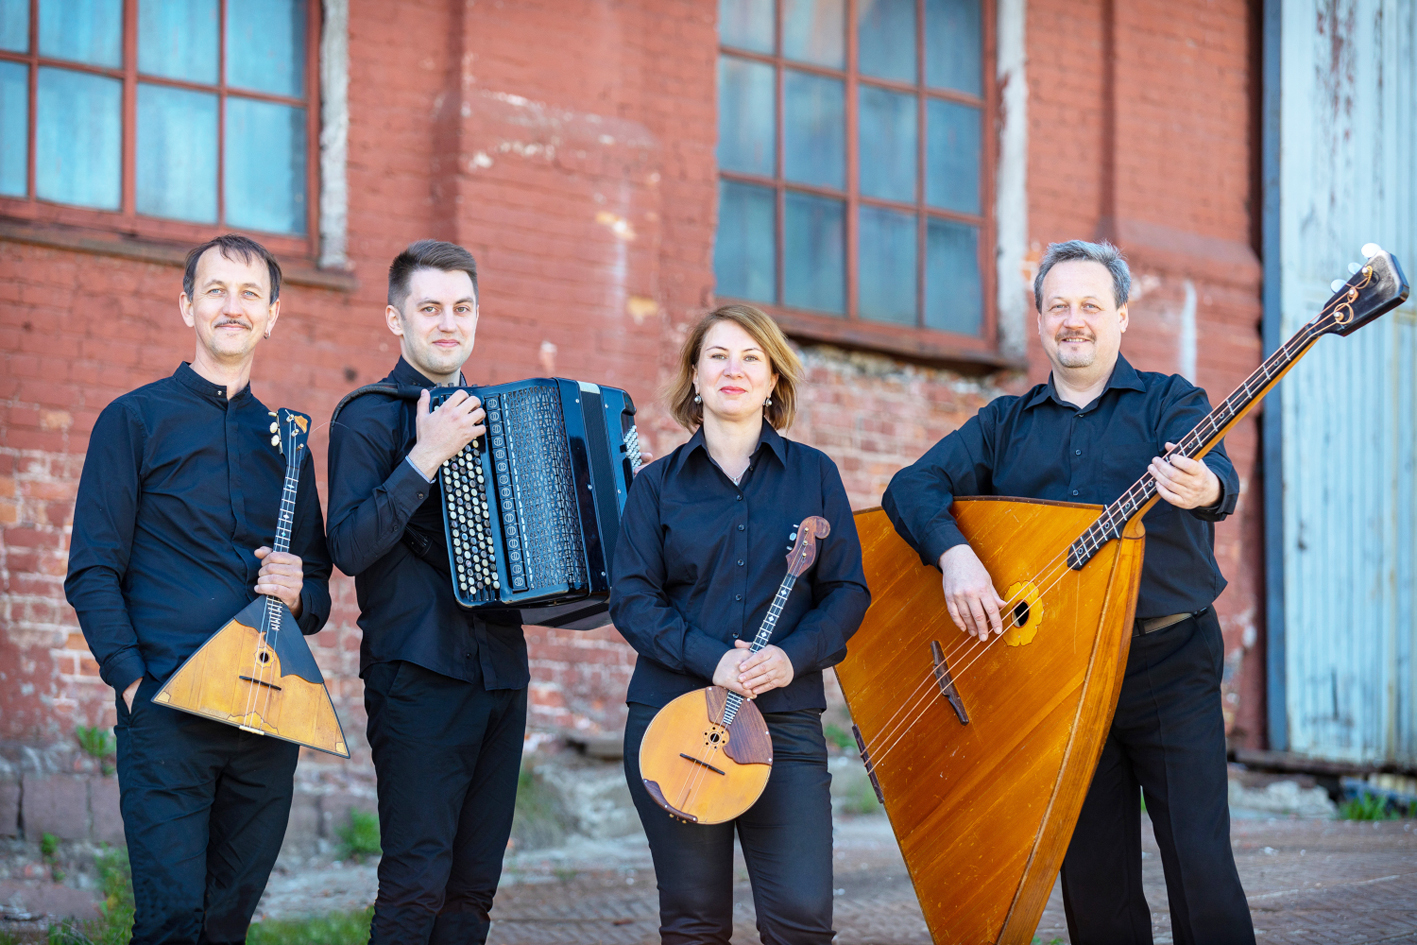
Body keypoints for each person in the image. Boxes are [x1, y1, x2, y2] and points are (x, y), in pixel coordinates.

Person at [882, 240, 1255, 944]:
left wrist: (1203, 486)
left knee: (1199, 859)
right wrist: (954, 554)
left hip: (1167, 659)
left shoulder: (1172, 402)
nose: (1073, 319)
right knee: (1093, 878)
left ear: (1120, 317)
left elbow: (1217, 481)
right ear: (1041, 321)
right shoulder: (1003, 423)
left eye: (1089, 305)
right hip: (1059, 675)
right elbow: (911, 485)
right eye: (1058, 306)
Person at [64, 234, 332, 945]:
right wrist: (130, 683)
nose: (232, 307)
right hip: (166, 712)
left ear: (272, 315)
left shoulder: (289, 443)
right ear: (187, 305)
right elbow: (90, 570)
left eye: (250, 295)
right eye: (215, 290)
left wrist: (299, 588)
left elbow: (320, 596)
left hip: (264, 715)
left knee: (227, 922)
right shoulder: (134, 419)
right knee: (170, 920)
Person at [610, 304, 871, 945]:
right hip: (675, 720)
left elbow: (847, 593)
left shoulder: (815, 475)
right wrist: (712, 658)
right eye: (718, 356)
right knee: (695, 922)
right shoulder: (656, 486)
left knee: (802, 919)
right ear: (694, 378)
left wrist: (791, 657)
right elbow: (633, 600)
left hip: (782, 720)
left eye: (752, 358)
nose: (735, 370)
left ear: (774, 380)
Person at [326, 240, 525, 944]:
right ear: (394, 317)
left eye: (462, 307)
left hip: (500, 672)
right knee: (415, 885)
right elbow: (348, 547)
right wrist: (425, 455)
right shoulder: (365, 417)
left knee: (471, 892)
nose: (448, 323)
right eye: (430, 307)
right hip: (414, 674)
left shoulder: (500, 418)